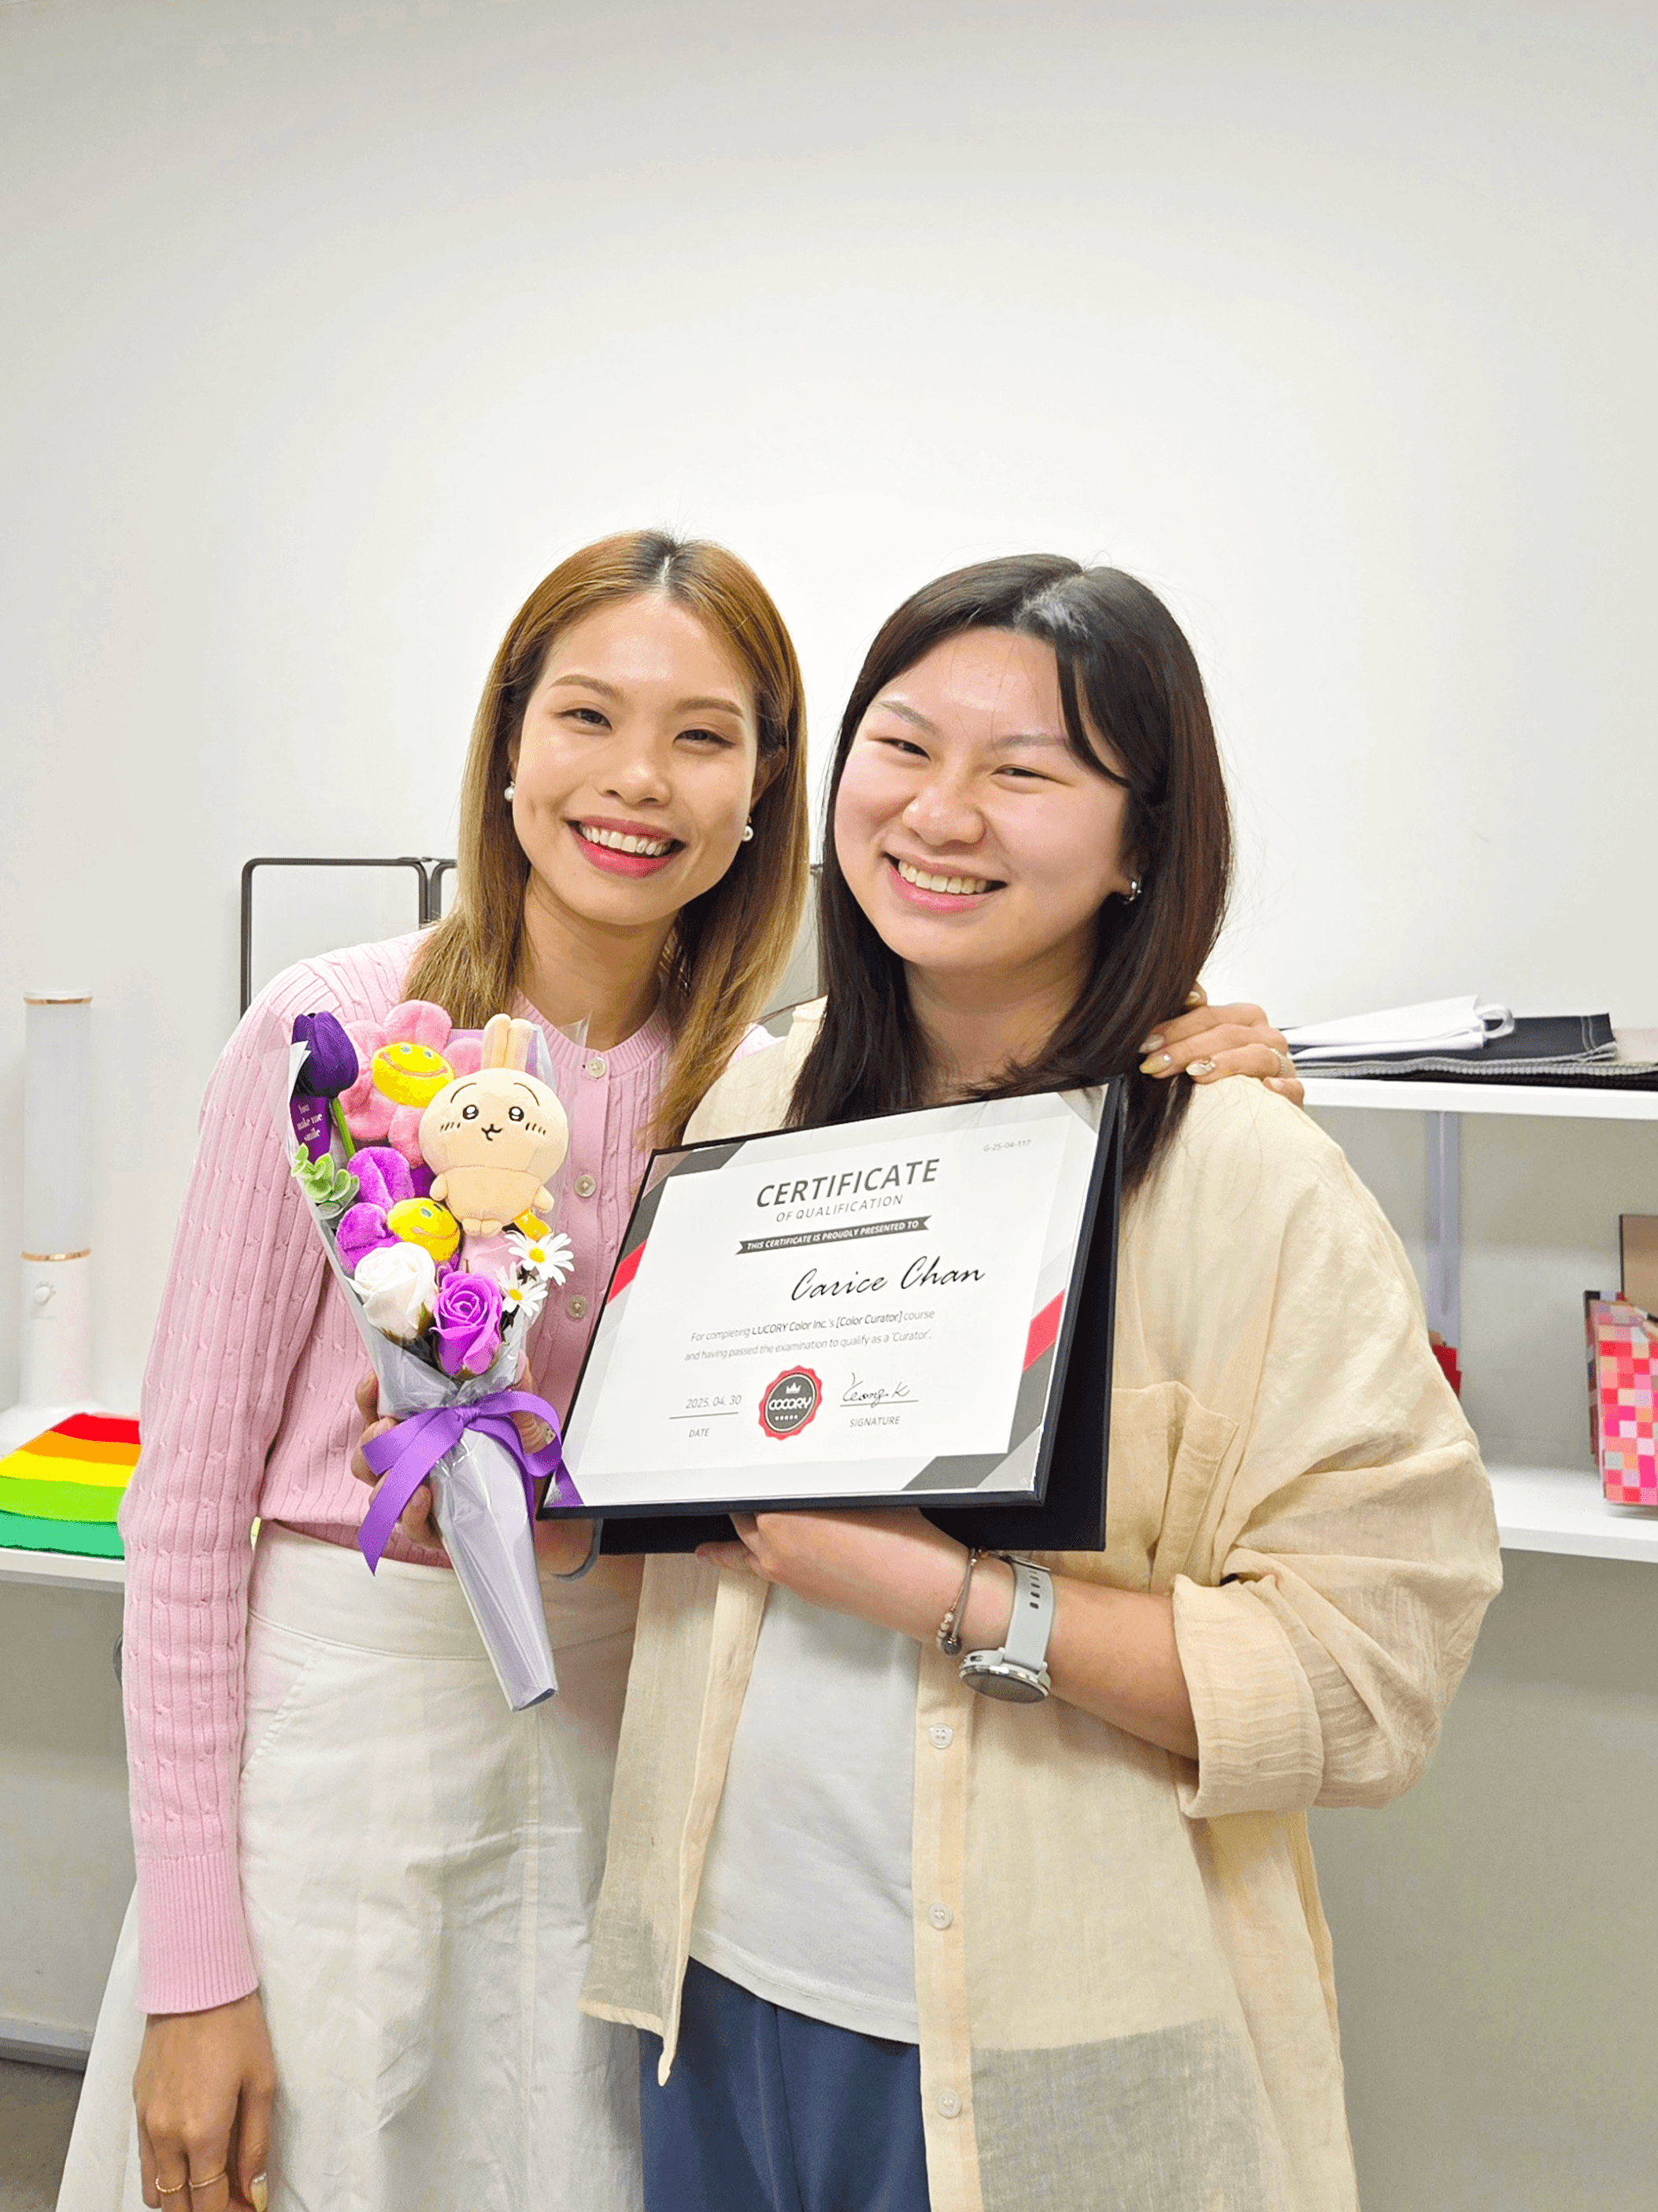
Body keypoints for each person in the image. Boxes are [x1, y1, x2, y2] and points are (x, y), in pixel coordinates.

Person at [61, 528, 1296, 2212]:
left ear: (768, 787)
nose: (637, 781)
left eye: (705, 736)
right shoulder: (333, 1035)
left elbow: (1026, 1042)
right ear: (507, 745)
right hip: (347, 1739)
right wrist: (198, 1967)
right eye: (586, 716)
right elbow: (186, 1514)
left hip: (640, 1754)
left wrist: (1209, 1031)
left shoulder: (783, 1081)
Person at [579, 556, 1504, 2212]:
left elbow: (1371, 1677)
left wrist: (948, 1595)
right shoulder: (758, 1101)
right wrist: (503, 1490)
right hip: (711, 1992)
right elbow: (692, 1511)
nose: (939, 814)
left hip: (1046, 2046)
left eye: (1026, 771)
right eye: (901, 746)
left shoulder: (1239, 1174)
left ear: (1144, 839)